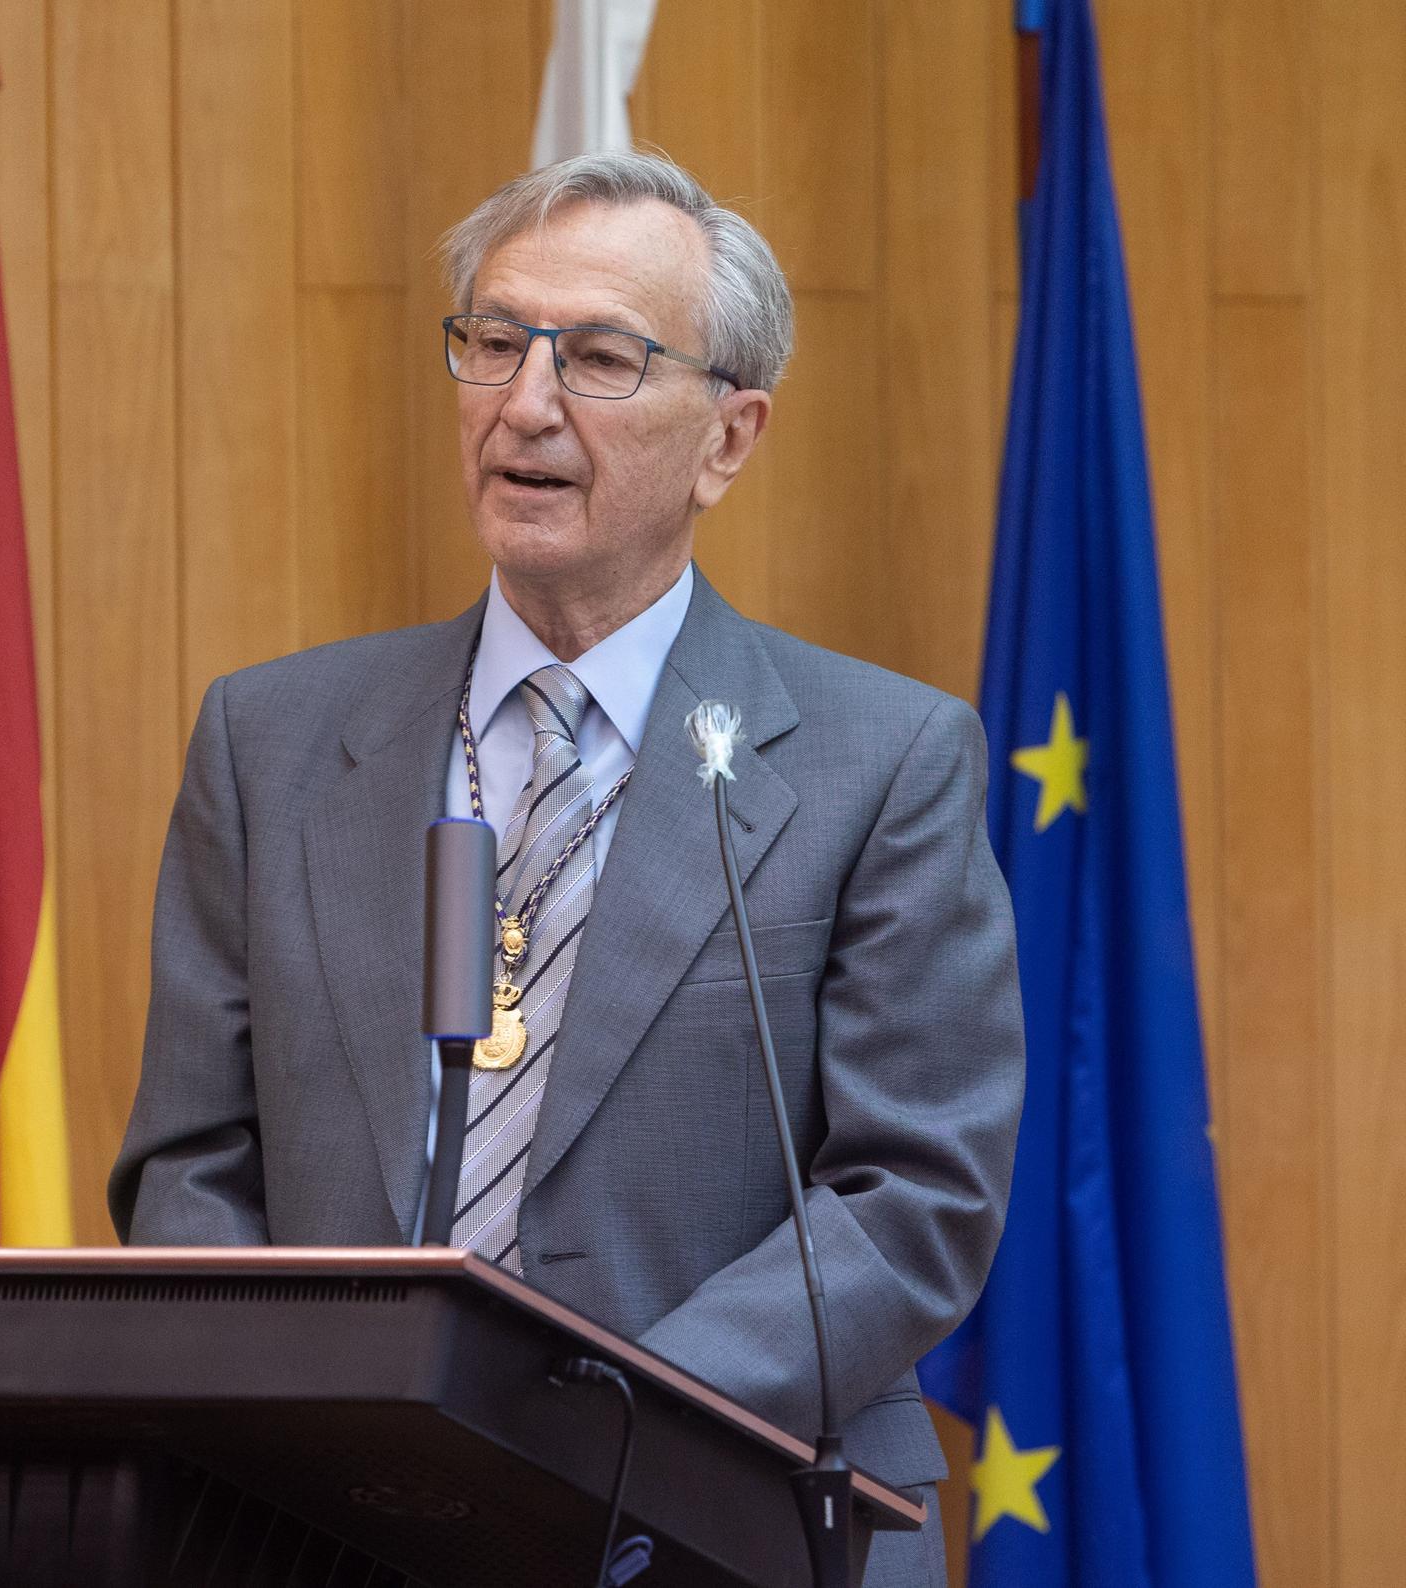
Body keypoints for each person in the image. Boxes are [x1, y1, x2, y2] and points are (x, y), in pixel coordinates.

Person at [109, 151, 1023, 1588]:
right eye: (491, 341)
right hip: (325, 1527)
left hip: (729, 1517)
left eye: (599, 357)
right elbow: (190, 1163)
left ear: (731, 436)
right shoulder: (270, 742)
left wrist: (574, 1435)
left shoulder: (884, 761)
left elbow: (914, 1196)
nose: (524, 405)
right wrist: (312, 1421)